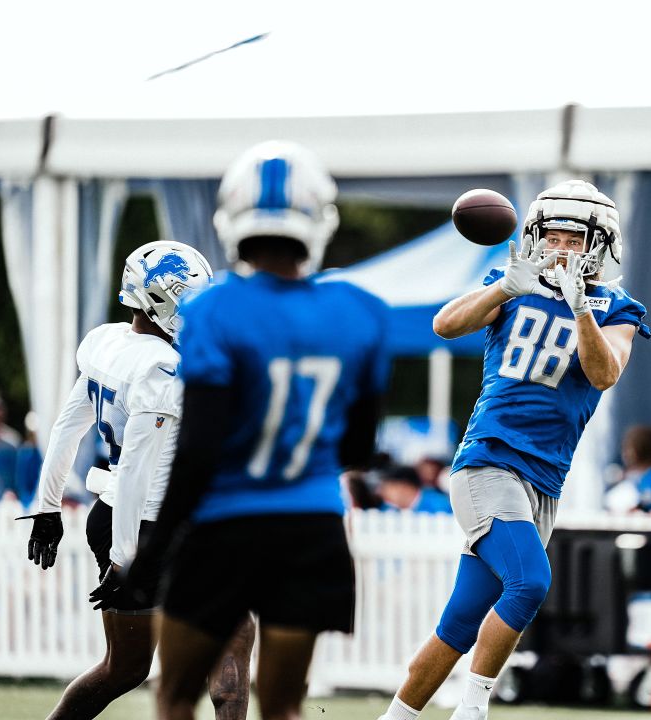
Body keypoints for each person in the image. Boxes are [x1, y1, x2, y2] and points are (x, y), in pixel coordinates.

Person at [117, 140, 391, 720]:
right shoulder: (360, 310)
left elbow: (199, 451)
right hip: (312, 530)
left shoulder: (216, 308)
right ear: (318, 219)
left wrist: (152, 552)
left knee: (174, 699)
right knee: (285, 705)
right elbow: (359, 448)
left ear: (233, 218)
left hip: (225, 528)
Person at [381, 180, 650, 720]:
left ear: (600, 244)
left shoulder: (618, 309)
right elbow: (445, 324)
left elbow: (604, 373)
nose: (559, 248)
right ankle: (474, 709)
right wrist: (505, 287)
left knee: (459, 623)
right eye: (550, 235)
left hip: (543, 479)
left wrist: (581, 312)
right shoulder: (512, 284)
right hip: (489, 459)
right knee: (530, 581)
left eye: (573, 239)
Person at [18, 239, 256, 720]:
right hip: (153, 528)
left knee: (123, 668)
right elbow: (135, 472)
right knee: (233, 636)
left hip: (114, 520)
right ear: (157, 300)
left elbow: (67, 427)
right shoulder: (161, 370)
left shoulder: (107, 342)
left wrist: (47, 508)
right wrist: (131, 559)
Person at [380, 465, 453, 514]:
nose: (382, 492)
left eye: (389, 487)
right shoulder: (388, 508)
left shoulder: (440, 504)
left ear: (404, 487)